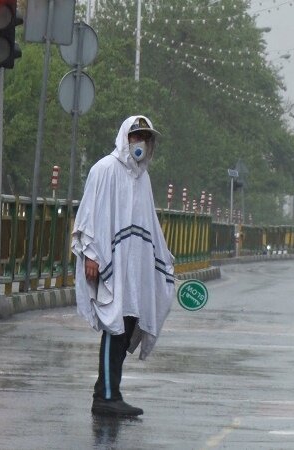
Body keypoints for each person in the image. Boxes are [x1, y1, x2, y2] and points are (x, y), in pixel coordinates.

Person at [71, 115, 176, 417]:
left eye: (145, 137)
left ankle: (109, 391)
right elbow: (88, 215)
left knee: (127, 325)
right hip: (109, 263)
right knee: (114, 327)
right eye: (135, 136)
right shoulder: (104, 169)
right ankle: (106, 396)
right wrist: (91, 255)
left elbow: (148, 223)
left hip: (134, 269)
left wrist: (162, 258)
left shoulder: (143, 178)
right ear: (124, 138)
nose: (140, 142)